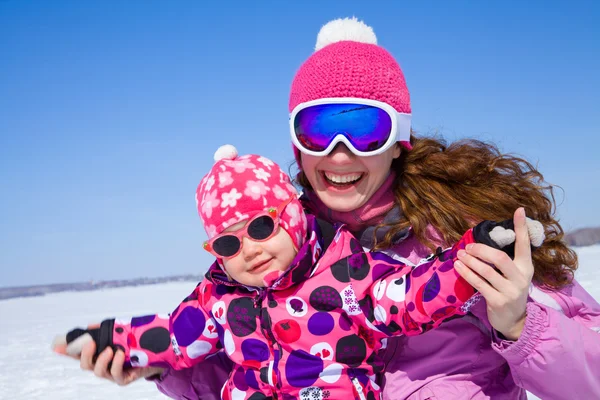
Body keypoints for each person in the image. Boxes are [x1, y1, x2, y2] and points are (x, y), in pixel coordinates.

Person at [74, 17, 600, 400]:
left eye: (365, 129)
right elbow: (242, 370)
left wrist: (519, 325)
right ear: (298, 144)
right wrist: (158, 366)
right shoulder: (270, 248)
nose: (340, 153)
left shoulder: (467, 232)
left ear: (399, 140)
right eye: (319, 130)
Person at [55, 145, 542, 399]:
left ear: (290, 212)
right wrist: (111, 340)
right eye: (229, 241)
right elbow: (170, 335)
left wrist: (472, 253)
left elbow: (414, 294)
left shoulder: (349, 271)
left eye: (262, 226)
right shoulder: (217, 299)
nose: (249, 249)